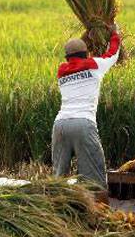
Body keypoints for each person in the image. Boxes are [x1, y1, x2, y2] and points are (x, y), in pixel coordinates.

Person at [52, 24, 121, 200]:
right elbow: (112, 54)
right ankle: (98, 216)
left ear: (67, 57)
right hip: (83, 123)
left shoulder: (61, 70)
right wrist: (114, 34)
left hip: (60, 124)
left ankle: (54, 214)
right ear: (87, 53)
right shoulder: (94, 64)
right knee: (95, 179)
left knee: (58, 180)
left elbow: (77, 58)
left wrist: (87, 37)